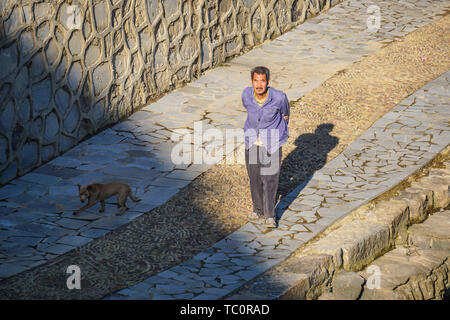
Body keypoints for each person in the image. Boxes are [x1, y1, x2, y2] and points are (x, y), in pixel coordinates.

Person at [242, 66, 289, 227]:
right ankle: (258, 209)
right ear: (252, 82)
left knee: (269, 179)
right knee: (254, 178)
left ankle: (270, 215)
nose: (259, 85)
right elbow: (248, 110)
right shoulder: (246, 95)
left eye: (262, 81)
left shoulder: (279, 98)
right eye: (256, 81)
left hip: (272, 143)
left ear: (268, 82)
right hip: (252, 142)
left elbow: (285, 115)